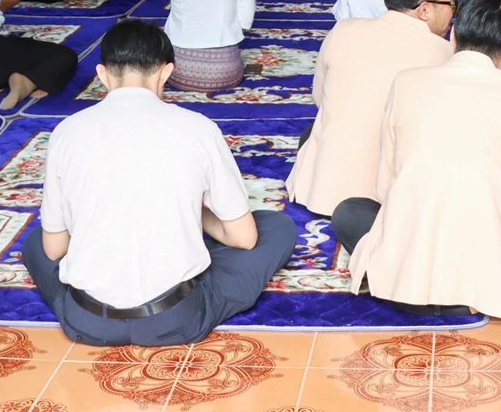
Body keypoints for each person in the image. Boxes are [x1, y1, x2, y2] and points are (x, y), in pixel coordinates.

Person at [21, 19, 296, 345]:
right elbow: (245, 239)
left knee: (35, 241)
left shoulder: (67, 131)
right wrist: (194, 212)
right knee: (276, 227)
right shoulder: (199, 129)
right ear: (166, 72)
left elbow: (55, 249)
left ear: (102, 74)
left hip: (87, 320)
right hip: (174, 319)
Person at [334, 0, 501, 318]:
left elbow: (386, 187)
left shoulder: (406, 82)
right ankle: (476, 288)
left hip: (409, 268)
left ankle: (414, 288)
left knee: (349, 211)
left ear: (454, 35)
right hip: (482, 258)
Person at [289, 0, 457, 216]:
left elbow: (320, 99)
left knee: (316, 128)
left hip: (321, 191)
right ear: (424, 9)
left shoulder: (342, 30)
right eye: (451, 4)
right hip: (386, 199)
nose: (452, 12)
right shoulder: (443, 53)